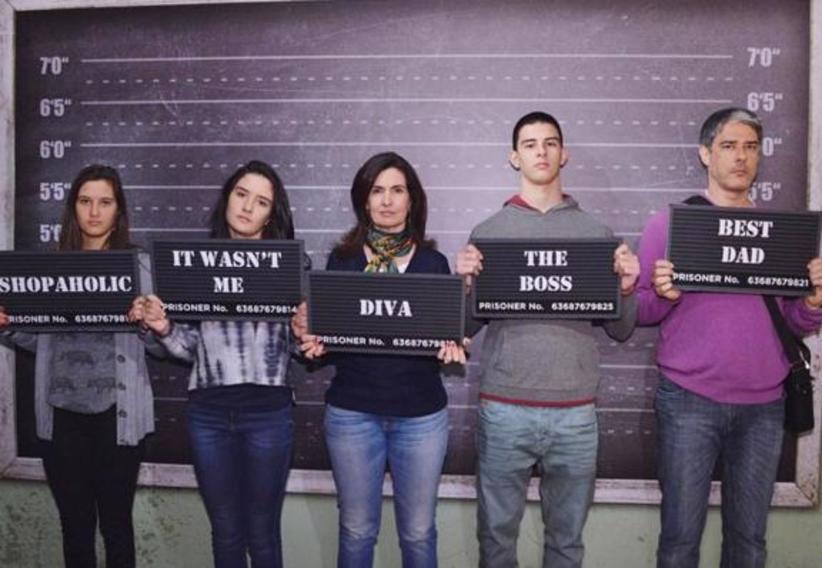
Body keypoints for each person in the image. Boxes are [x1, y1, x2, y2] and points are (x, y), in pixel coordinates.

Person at [636, 107, 822, 568]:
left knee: (749, 543)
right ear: (705, 154)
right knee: (679, 541)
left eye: (751, 147)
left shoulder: (780, 234)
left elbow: (793, 323)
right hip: (688, 401)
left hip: (764, 406)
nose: (741, 157)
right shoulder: (670, 224)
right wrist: (665, 295)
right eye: (729, 146)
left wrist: (814, 303)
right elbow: (639, 309)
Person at [455, 112, 640, 568]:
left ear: (564, 153)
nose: (541, 151)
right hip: (504, 408)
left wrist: (627, 287)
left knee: (566, 544)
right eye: (530, 144)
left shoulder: (596, 235)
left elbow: (620, 329)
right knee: (495, 541)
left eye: (550, 142)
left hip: (575, 413)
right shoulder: (488, 234)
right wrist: (464, 285)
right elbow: (465, 327)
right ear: (514, 157)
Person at [292, 151, 465, 568]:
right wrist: (312, 341)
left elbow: (441, 340)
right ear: (364, 201)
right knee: (356, 531)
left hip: (420, 419)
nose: (387, 200)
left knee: (419, 534)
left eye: (397, 190)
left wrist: (450, 348)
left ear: (412, 200)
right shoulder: (343, 261)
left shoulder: (435, 265)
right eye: (377, 190)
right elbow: (329, 340)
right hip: (352, 415)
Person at [131, 160, 297, 568]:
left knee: (263, 532)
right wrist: (164, 327)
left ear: (271, 214)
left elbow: (298, 346)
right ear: (227, 199)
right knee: (224, 531)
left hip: (268, 413)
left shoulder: (290, 267)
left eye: (261, 202)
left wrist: (307, 329)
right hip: (208, 412)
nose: (247, 207)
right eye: (241, 194)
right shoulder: (195, 265)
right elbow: (190, 348)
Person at [0, 164, 162, 568]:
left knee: (117, 527)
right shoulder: (50, 266)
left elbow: (161, 346)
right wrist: (7, 327)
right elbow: (40, 339)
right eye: (85, 201)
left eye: (104, 202)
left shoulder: (140, 267)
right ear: (73, 207)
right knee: (74, 529)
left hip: (117, 419)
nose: (94, 211)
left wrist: (147, 324)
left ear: (118, 210)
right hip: (61, 417)